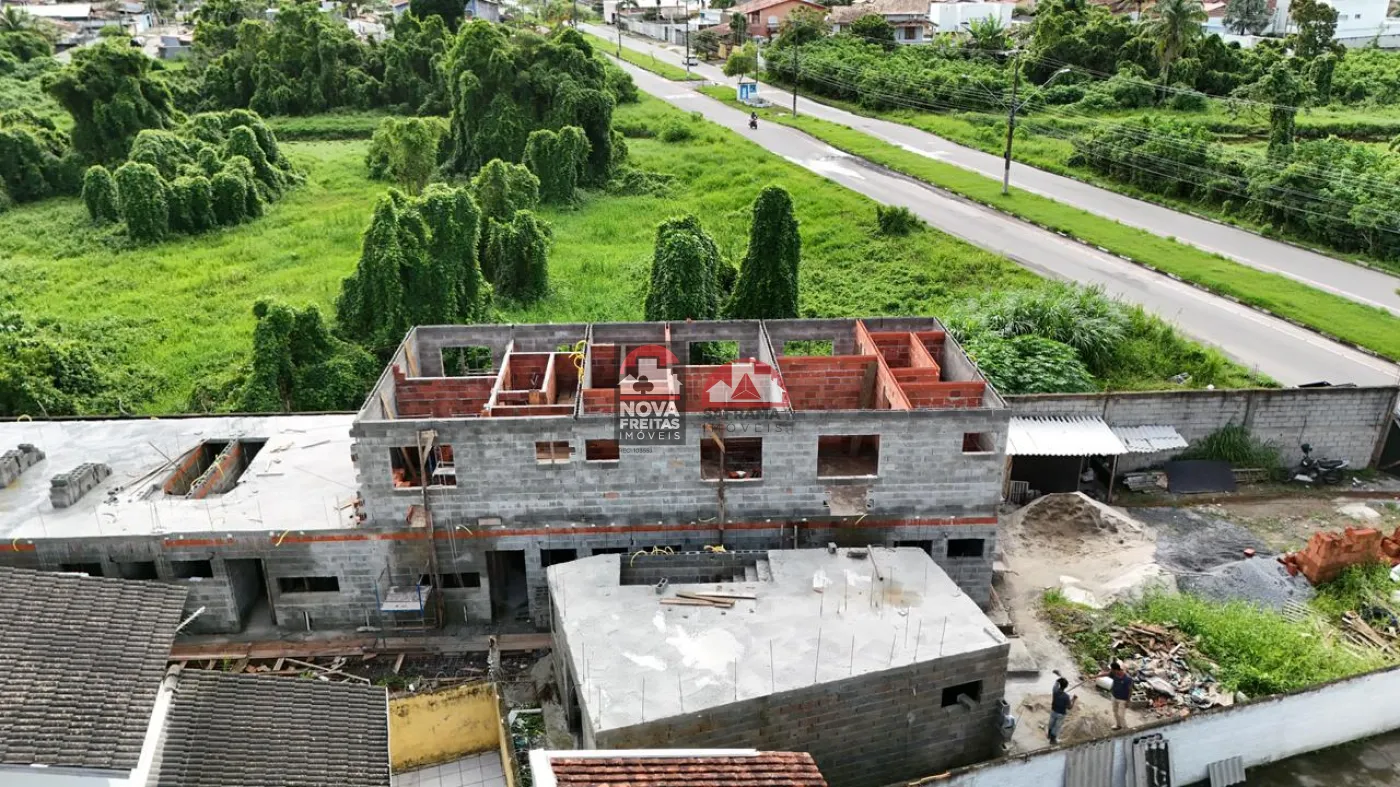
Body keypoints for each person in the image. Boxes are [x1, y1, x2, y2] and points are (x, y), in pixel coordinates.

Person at [1105, 661, 1133, 730]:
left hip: (1122, 700)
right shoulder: (1114, 674)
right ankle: (1118, 725)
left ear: (1116, 670)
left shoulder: (1127, 678)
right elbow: (1106, 674)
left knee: (1121, 715)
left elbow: (1130, 690)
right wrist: (1095, 676)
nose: (1111, 671)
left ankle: (1126, 730)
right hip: (1114, 697)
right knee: (1115, 712)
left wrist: (1128, 701)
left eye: (1112, 670)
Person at [1048, 676, 1075, 744]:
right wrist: (1074, 700)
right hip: (1061, 714)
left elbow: (1056, 682)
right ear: (1066, 686)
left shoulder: (1055, 690)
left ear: (1060, 684)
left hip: (1053, 711)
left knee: (1051, 723)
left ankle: (1049, 735)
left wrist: (1060, 679)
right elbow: (1069, 707)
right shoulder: (1066, 696)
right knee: (1056, 727)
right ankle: (1052, 740)